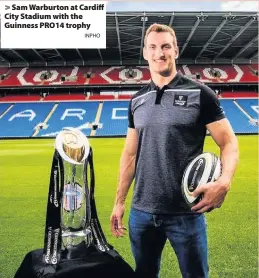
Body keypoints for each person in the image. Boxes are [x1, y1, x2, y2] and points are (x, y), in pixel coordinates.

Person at [110, 23, 239, 278]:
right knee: (144, 274)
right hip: (142, 213)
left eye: (166, 46)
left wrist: (224, 183)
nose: (160, 53)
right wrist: (119, 202)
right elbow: (130, 154)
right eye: (153, 47)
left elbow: (229, 143)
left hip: (187, 213)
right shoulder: (136, 100)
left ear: (176, 50)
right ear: (145, 53)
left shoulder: (201, 94)